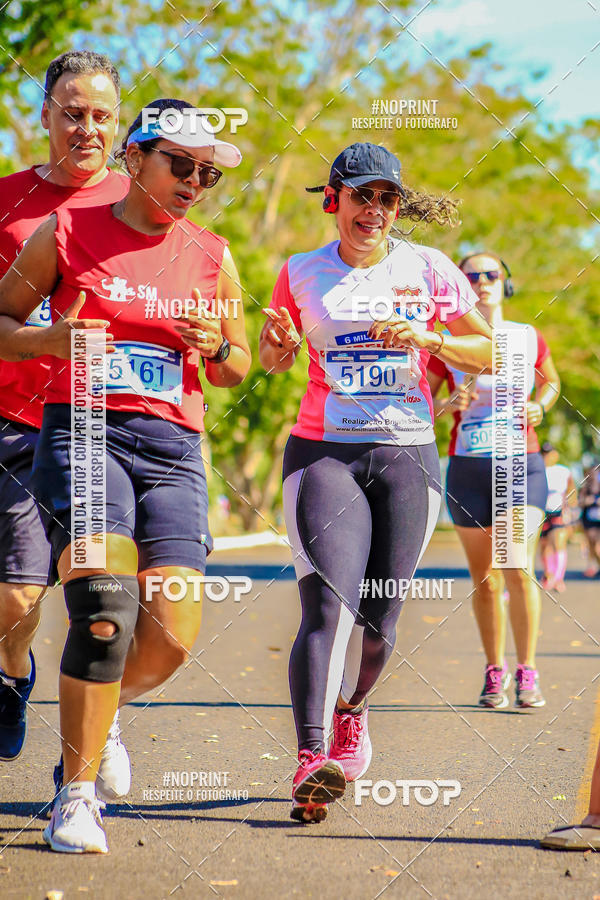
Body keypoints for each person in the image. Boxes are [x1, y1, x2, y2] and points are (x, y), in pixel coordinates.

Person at [0, 99, 251, 853]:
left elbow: (236, 367)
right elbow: (3, 325)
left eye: (207, 173)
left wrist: (219, 347)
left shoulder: (213, 252)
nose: (195, 182)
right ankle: (76, 797)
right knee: (104, 610)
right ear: (134, 157)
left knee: (171, 637)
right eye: (181, 164)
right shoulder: (69, 230)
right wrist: (54, 334)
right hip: (82, 433)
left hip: (172, 449)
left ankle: (97, 710)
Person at [259, 142, 493, 823]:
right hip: (323, 453)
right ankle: (310, 760)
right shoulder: (300, 273)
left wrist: (429, 339)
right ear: (334, 200)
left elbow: (488, 347)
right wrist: (276, 348)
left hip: (406, 456)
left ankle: (350, 714)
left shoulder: (428, 269)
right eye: (362, 195)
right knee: (326, 605)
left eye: (388, 197)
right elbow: (277, 356)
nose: (375, 210)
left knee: (381, 617)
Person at [0, 51, 128, 774]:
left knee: (101, 590)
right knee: (16, 597)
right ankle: (15, 673)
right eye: (72, 113)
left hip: (107, 430)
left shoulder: (140, 200)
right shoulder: (7, 202)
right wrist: (50, 338)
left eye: (102, 116)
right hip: (17, 420)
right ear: (45, 116)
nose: (87, 128)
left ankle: (96, 733)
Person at [428, 251, 560, 710]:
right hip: (467, 467)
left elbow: (551, 382)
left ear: (506, 282)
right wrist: (450, 403)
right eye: (471, 276)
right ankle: (494, 671)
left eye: (491, 274)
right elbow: (423, 402)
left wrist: (541, 405)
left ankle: (527, 671)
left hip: (520, 462)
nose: (482, 281)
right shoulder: (445, 341)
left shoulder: (526, 337)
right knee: (484, 580)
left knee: (514, 564)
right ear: (460, 286)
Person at [539, 443, 577, 592]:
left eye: (550, 454)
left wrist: (571, 507)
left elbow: (571, 489)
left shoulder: (563, 471)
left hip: (558, 513)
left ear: (555, 455)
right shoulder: (537, 471)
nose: (547, 457)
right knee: (544, 546)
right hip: (542, 513)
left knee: (558, 543)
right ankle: (548, 575)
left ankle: (558, 578)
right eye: (544, 454)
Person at [579, 463, 600, 577]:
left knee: (597, 546)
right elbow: (580, 502)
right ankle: (595, 566)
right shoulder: (585, 486)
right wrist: (588, 501)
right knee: (592, 545)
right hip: (589, 519)